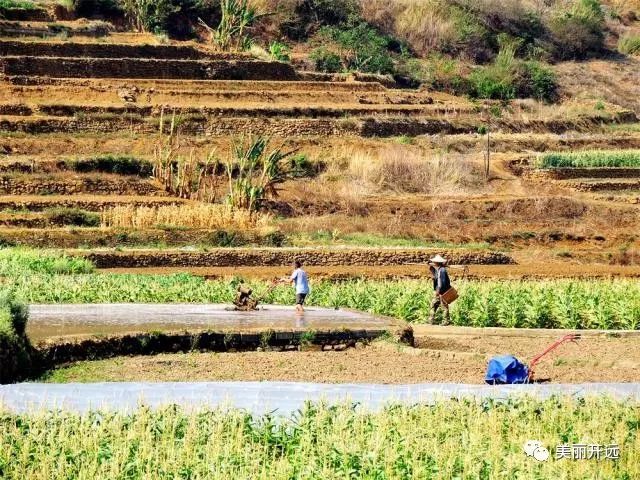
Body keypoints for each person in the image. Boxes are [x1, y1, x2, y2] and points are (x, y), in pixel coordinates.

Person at [428, 254, 451, 325]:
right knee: (433, 305)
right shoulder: (439, 270)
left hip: (441, 291)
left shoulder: (442, 270)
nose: (434, 263)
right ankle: (431, 320)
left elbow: (441, 282)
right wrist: (432, 269)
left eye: (435, 262)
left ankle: (446, 321)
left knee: (444, 306)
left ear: (437, 263)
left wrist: (439, 291)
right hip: (439, 291)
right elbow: (436, 277)